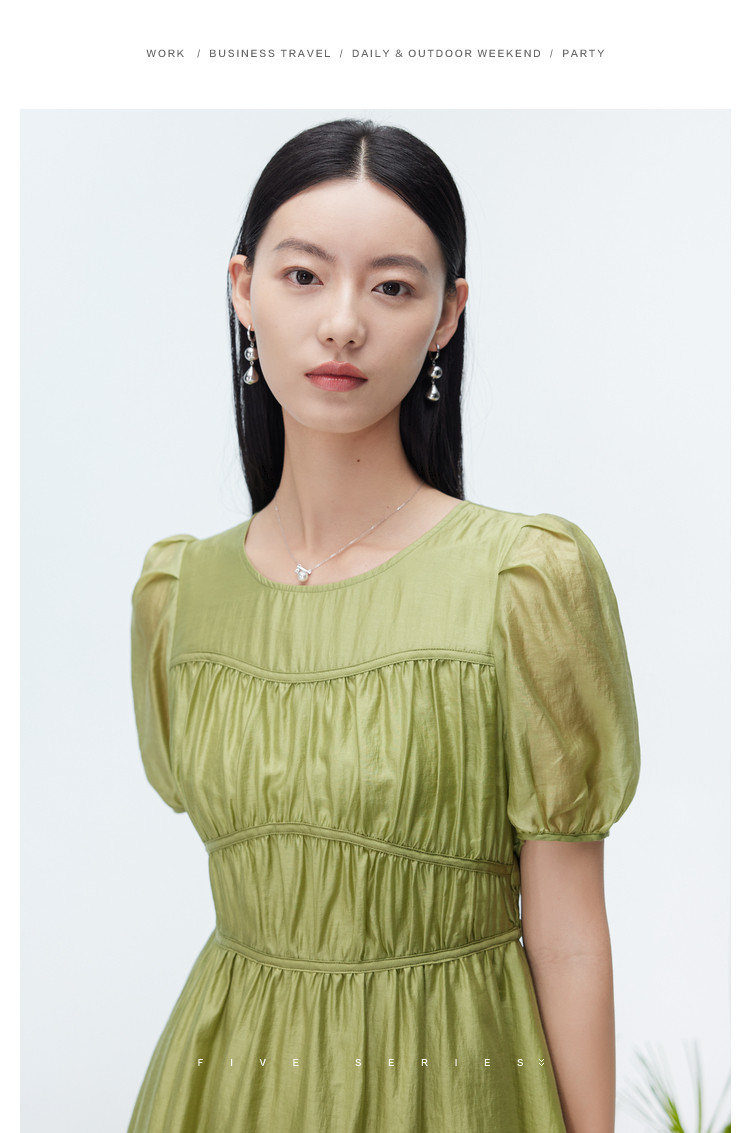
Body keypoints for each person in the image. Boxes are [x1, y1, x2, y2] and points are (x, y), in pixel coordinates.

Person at [128, 118, 641, 1133]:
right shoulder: (178, 594)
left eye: (393, 287)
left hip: (453, 1083)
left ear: (448, 314)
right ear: (244, 289)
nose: (343, 324)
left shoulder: (526, 579)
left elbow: (571, 935)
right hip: (228, 1085)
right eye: (304, 276)